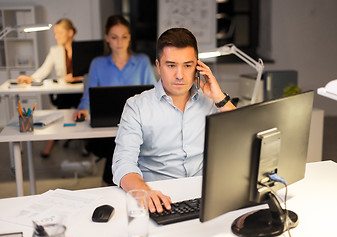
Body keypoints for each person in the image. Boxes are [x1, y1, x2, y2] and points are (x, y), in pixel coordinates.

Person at [112, 28, 236, 213]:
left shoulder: (211, 102)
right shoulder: (136, 106)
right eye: (171, 65)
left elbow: (244, 138)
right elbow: (123, 163)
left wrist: (220, 98)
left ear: (198, 67)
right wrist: (143, 191)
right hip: (158, 197)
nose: (179, 75)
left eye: (187, 65)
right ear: (158, 66)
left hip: (203, 197)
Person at [74, 15, 156, 186]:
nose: (119, 42)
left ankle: (115, 183)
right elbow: (89, 96)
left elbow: (153, 94)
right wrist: (82, 109)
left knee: (127, 143)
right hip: (107, 128)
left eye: (124, 36)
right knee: (117, 144)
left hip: (137, 124)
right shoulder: (98, 63)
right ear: (107, 39)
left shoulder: (141, 62)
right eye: (114, 37)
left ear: (129, 38)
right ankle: (121, 183)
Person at [17, 18, 83, 158]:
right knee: (63, 107)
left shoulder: (83, 48)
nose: (56, 36)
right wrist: (31, 78)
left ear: (70, 33)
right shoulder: (55, 50)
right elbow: (44, 70)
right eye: (55, 33)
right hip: (63, 92)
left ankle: (85, 143)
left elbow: (91, 71)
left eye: (59, 32)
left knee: (82, 108)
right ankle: (52, 140)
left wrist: (79, 78)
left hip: (80, 90)